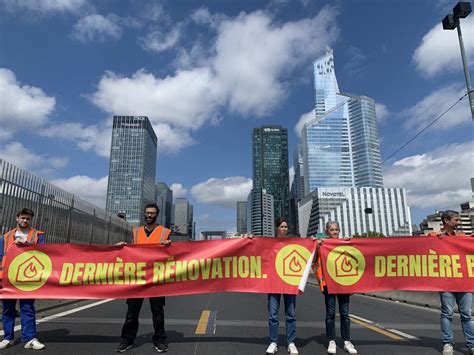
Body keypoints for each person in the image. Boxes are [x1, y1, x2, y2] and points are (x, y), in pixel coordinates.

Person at [115, 202, 172, 353]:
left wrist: (169, 245)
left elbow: (171, 253)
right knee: (132, 313)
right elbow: (133, 249)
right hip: (138, 278)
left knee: (158, 312)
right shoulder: (136, 232)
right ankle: (126, 340)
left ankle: (160, 340)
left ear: (156, 215)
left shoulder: (165, 232)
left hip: (156, 278)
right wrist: (123, 246)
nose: (149, 215)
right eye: (147, 213)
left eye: (152, 213)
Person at [427, 210, 473, 355]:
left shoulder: (462, 237)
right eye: (456, 220)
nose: (458, 223)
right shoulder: (434, 236)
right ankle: (448, 344)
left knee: (467, 314)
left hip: (464, 281)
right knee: (447, 313)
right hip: (445, 281)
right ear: (446, 221)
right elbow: (425, 248)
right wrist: (437, 240)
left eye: (459, 220)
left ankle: (471, 344)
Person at [0, 208, 46, 350]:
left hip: (28, 279)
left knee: (27, 308)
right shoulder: (6, 237)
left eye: (28, 219)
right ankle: (7, 338)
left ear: (31, 220)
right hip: (8, 279)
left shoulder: (37, 236)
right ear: (17, 218)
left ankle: (30, 338)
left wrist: (26, 245)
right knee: (8, 309)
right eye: (23, 218)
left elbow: (44, 254)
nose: (25, 221)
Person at [313, 221, 357, 354]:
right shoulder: (322, 245)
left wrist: (351, 244)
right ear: (327, 231)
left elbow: (356, 259)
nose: (335, 232)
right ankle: (331, 340)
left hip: (343, 284)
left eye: (337, 229)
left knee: (345, 313)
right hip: (329, 283)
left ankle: (347, 341)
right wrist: (316, 247)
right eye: (332, 230)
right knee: (330, 313)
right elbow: (314, 260)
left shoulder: (345, 244)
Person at [265, 217, 299, 355]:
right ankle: (274, 342)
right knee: (273, 315)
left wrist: (315, 242)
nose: (284, 229)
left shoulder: (294, 243)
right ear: (276, 228)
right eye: (282, 226)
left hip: (289, 282)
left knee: (290, 314)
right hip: (273, 283)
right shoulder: (269, 243)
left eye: (286, 227)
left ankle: (291, 342)